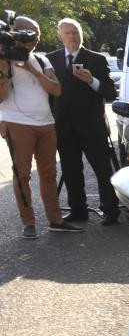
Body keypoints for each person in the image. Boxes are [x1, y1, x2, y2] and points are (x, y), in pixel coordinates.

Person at [0, 17, 82, 238]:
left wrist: (32, 70)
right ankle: (29, 223)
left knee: (48, 173)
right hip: (17, 123)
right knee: (22, 175)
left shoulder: (42, 60)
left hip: (46, 123)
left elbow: (56, 90)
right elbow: (1, 96)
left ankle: (55, 220)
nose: (32, 36)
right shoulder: (3, 58)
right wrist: (6, 67)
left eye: (35, 32)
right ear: (14, 33)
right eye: (25, 32)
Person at [46, 18, 120, 225]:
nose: (73, 37)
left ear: (82, 35)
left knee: (103, 171)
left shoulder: (96, 59)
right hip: (63, 126)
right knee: (71, 171)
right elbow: (48, 95)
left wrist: (91, 81)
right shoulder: (51, 60)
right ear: (60, 35)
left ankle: (111, 210)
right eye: (68, 33)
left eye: (76, 33)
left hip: (92, 126)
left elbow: (110, 92)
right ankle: (78, 210)